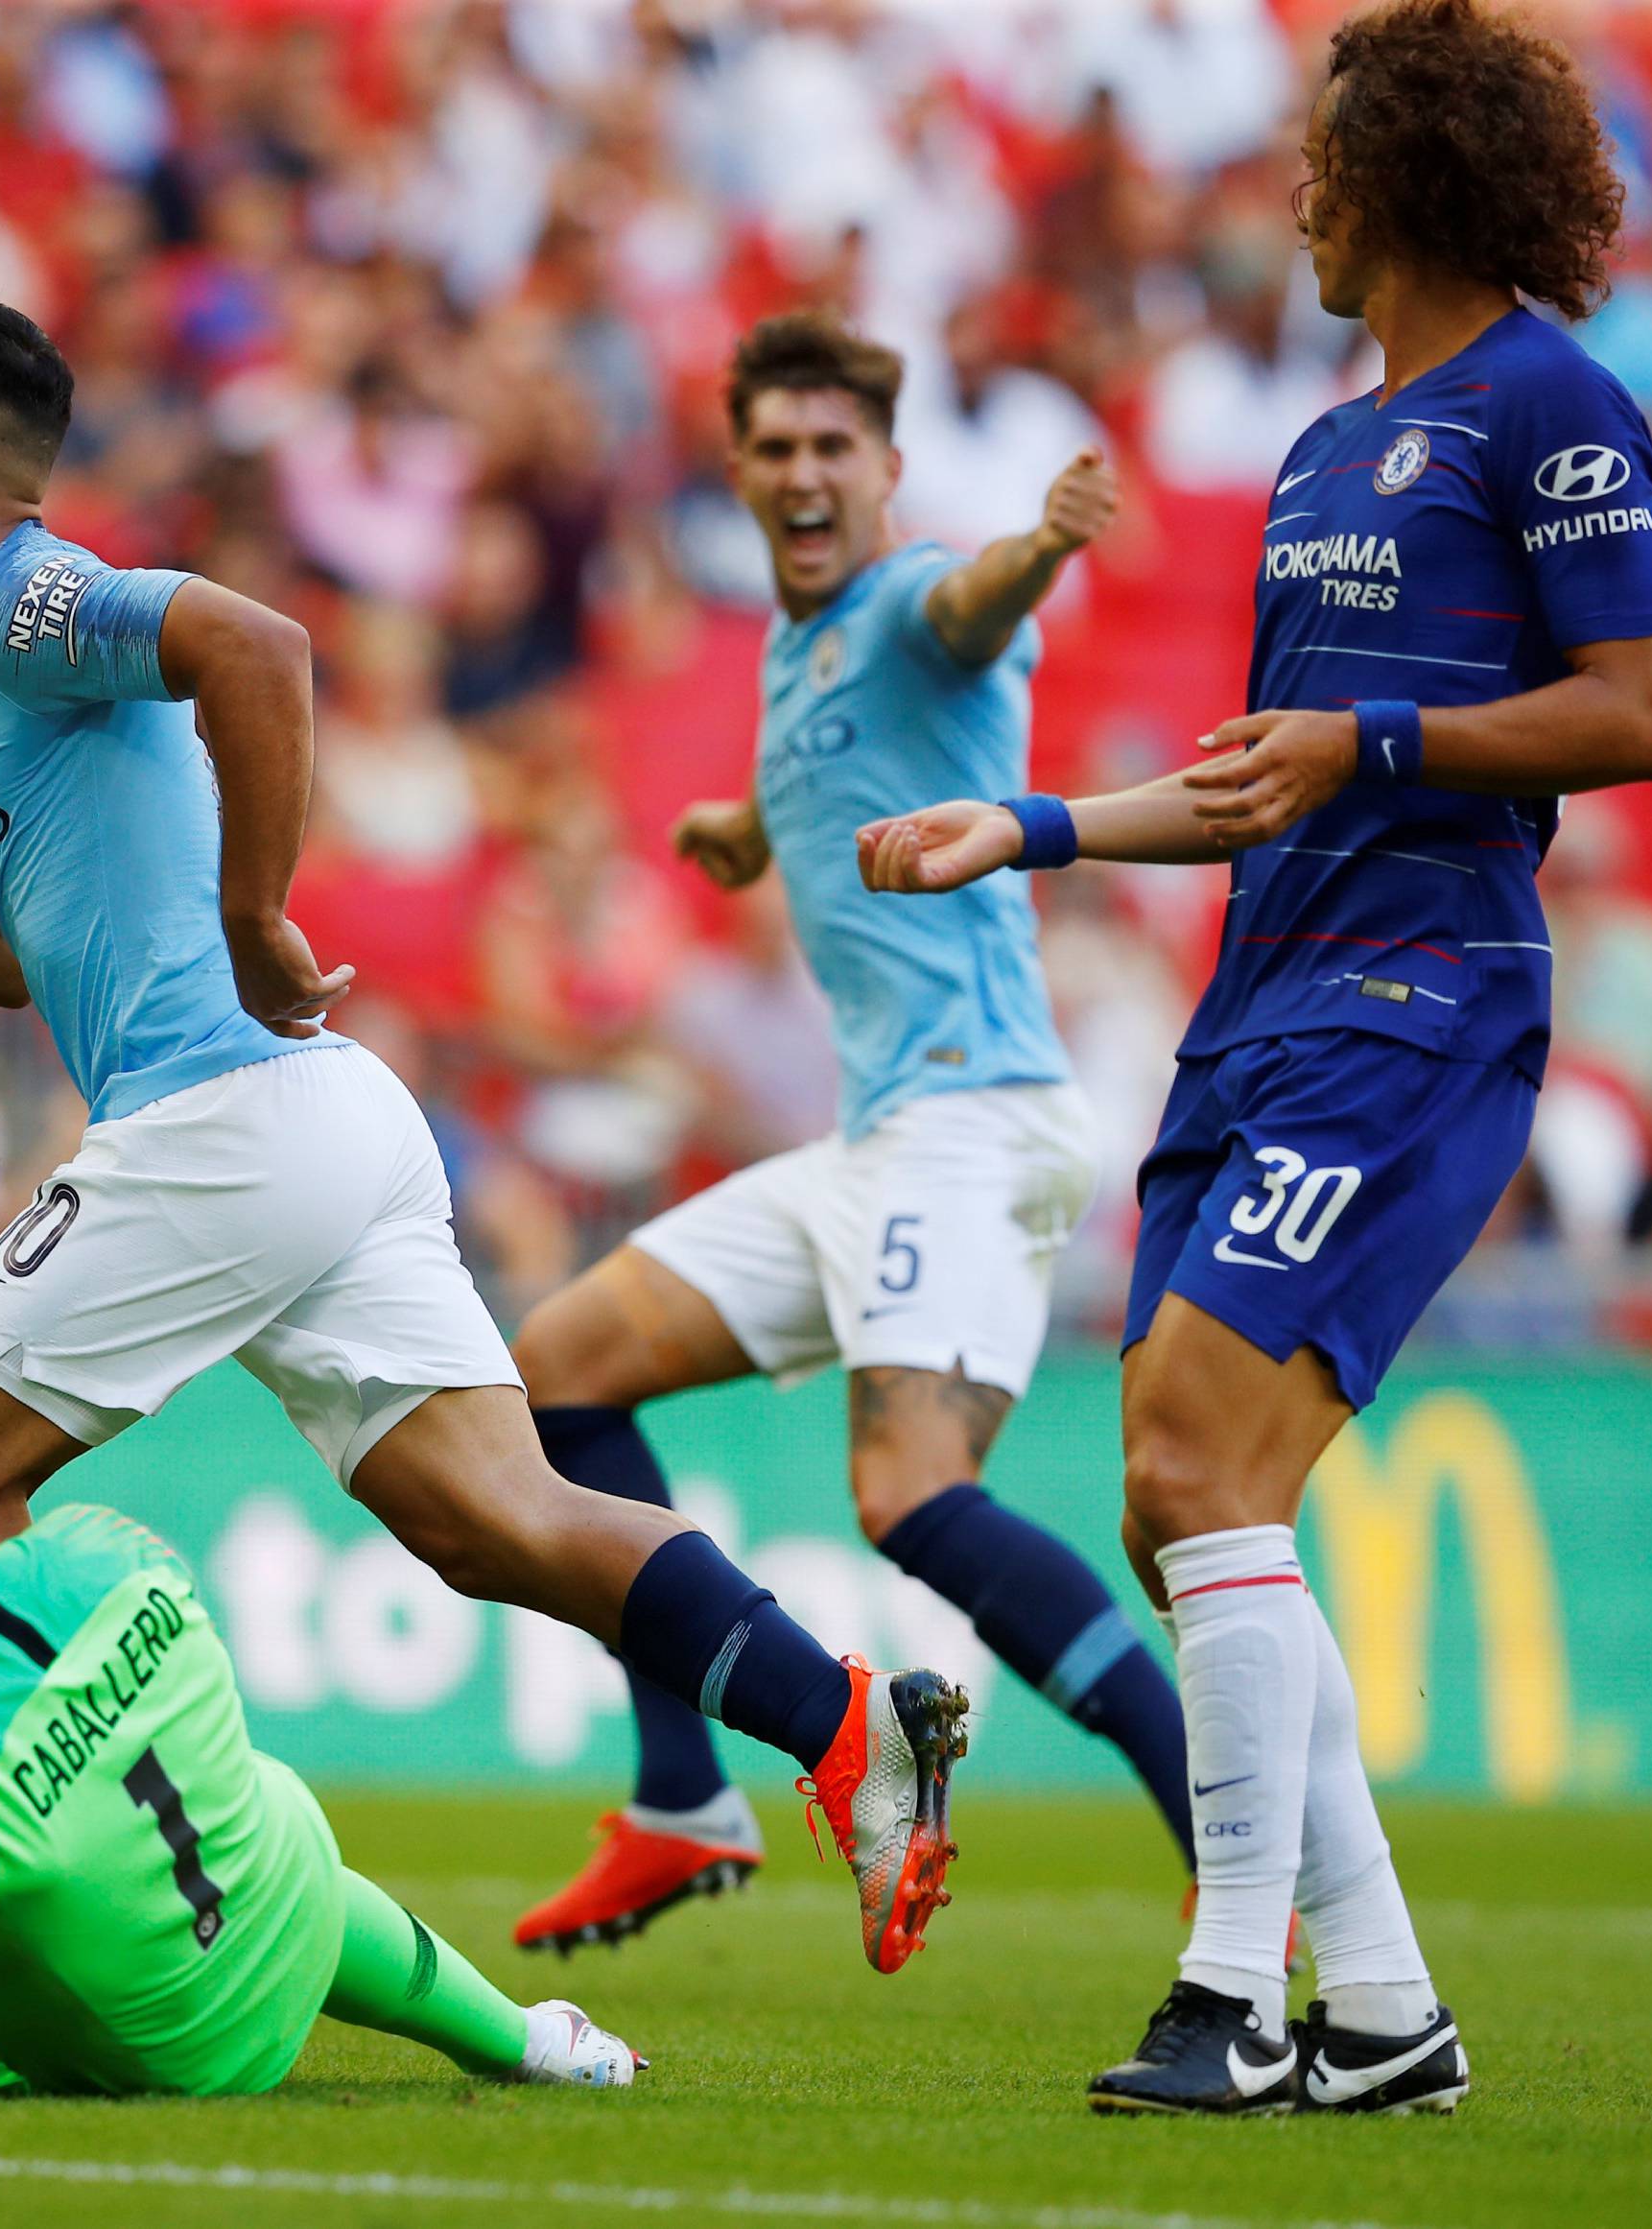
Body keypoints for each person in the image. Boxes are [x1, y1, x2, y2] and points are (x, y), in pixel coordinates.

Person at [0, 284, 967, 1985]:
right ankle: (846, 1726)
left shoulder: (28, 593)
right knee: (501, 1521)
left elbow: (261, 644)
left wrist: (257, 910)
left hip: (219, 1126)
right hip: (315, 1129)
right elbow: (33, 953)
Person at [856, 0, 1652, 2116]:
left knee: (1197, 1452)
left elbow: (1642, 718)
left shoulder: (1552, 409)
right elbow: (1254, 784)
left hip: (1422, 999)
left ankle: (1233, 1991)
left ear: (1405, 171)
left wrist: (1382, 742)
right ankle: (1390, 2009)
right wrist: (1028, 831)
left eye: (1327, 160)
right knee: (1176, 1490)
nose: (1299, 193)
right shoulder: (1327, 450)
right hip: (1260, 1003)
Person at [508, 311, 1194, 1958]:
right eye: (777, 447)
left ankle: (1225, 1825)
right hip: (880, 1135)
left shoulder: (912, 597)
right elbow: (841, 760)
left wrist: (1039, 543)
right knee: (558, 1368)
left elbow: (965, 611)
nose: (807, 473)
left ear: (887, 470)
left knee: (907, 1489)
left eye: (837, 447)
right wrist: (746, 831)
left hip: (977, 1117)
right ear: (739, 469)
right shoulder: (792, 643)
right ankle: (686, 1801)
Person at [0, 1340, 638, 2102]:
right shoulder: (114, 1549)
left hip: (175, 2064)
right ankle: (532, 2039)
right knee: (251, 1800)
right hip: (284, 1916)